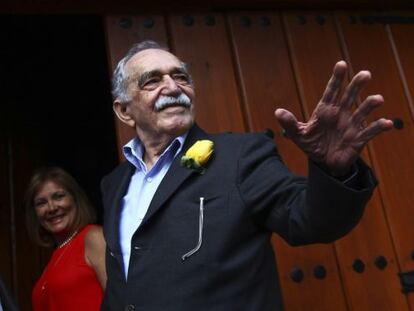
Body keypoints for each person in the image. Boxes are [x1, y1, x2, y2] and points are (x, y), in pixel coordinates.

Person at [100, 40, 393, 310]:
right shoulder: (113, 184)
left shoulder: (240, 155)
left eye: (180, 77)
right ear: (124, 111)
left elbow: (308, 220)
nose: (173, 88)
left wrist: (334, 170)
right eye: (152, 80)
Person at [24, 166, 106, 310]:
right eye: (41, 203)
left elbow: (122, 300)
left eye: (59, 196)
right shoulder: (53, 260)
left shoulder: (93, 238)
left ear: (75, 199)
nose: (51, 208)